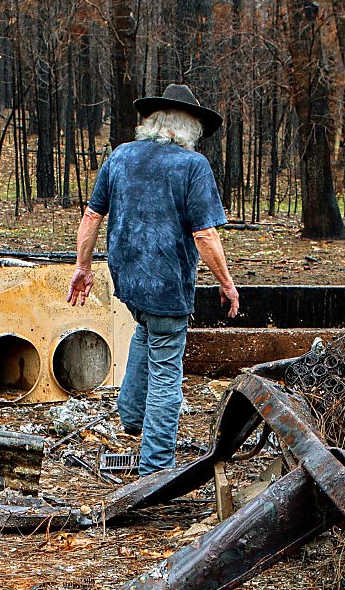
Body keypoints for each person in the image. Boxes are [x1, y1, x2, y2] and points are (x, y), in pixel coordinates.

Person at [69, 83, 240, 475]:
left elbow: (92, 217)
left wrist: (83, 268)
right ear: (189, 128)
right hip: (166, 285)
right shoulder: (192, 166)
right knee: (166, 371)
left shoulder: (121, 156)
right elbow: (205, 235)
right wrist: (227, 283)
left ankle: (131, 416)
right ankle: (157, 468)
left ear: (154, 121)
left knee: (146, 332)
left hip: (127, 279)